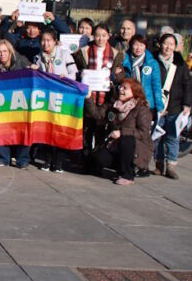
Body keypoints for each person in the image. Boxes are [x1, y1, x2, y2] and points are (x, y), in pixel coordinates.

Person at [75, 24, 125, 162]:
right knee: (86, 129)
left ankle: (98, 159)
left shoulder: (116, 53)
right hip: (88, 95)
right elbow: (76, 68)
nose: (100, 39)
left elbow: (121, 73)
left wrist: (114, 77)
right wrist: (80, 75)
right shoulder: (84, 51)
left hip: (105, 97)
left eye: (103, 36)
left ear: (108, 36)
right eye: (97, 35)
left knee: (101, 130)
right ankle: (85, 159)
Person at [33, 27, 78, 173]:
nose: (45, 44)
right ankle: (47, 161)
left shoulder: (64, 54)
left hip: (62, 96)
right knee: (47, 129)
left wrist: (66, 78)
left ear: (55, 41)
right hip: (46, 98)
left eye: (48, 40)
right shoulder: (38, 57)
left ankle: (58, 162)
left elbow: (74, 73)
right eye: (43, 40)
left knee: (60, 128)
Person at [93, 78, 153, 185]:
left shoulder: (142, 109)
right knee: (98, 157)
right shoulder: (115, 105)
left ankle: (127, 175)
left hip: (136, 149)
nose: (121, 89)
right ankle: (120, 167)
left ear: (135, 92)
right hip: (115, 145)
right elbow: (97, 115)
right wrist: (88, 97)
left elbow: (143, 132)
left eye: (125, 88)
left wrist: (122, 133)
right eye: (120, 87)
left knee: (126, 140)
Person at [0, 39, 32, 168]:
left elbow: (33, 74)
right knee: (1, 127)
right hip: (3, 103)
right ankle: (2, 158)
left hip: (21, 101)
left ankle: (23, 159)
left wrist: (33, 69)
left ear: (10, 52)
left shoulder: (22, 62)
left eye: (5, 51)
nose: (2, 54)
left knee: (23, 128)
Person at [154, 33, 192, 180]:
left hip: (175, 105)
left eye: (171, 44)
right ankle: (158, 164)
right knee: (157, 136)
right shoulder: (153, 60)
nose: (168, 47)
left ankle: (171, 165)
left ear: (175, 47)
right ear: (160, 44)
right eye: (166, 43)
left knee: (173, 137)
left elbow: (187, 85)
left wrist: (187, 104)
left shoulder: (180, 62)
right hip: (158, 105)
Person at [123, 35, 163, 119]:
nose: (138, 48)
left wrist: (159, 107)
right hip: (129, 102)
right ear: (131, 45)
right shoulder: (125, 61)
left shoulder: (152, 63)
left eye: (141, 45)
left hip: (147, 102)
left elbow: (156, 86)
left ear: (145, 46)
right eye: (136, 45)